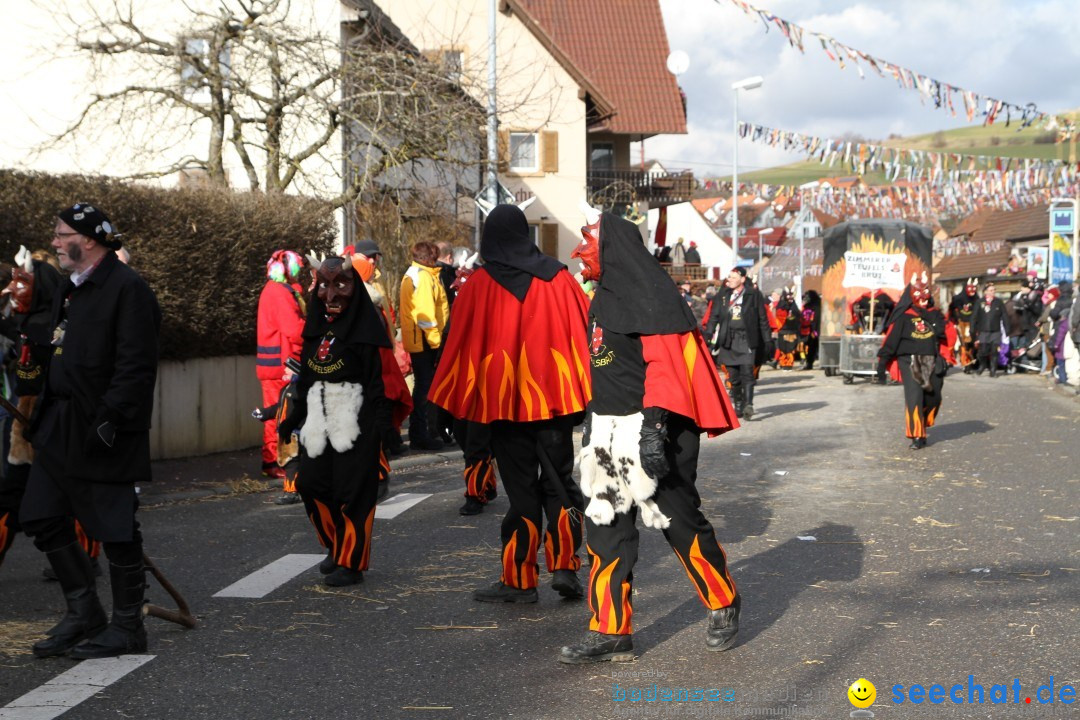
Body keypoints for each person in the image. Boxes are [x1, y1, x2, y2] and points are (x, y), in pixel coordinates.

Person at [559, 210, 740, 664]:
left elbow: (665, 365)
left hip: (654, 428)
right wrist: (589, 430)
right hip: (606, 430)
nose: (580, 251)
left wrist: (654, 430)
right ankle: (610, 629)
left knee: (678, 522)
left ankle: (723, 601)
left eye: (589, 242)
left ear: (613, 247)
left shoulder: (651, 293)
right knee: (605, 530)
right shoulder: (602, 298)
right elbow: (604, 370)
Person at [430, 204, 591, 604]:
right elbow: (582, 335)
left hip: (502, 407)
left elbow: (459, 348)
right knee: (558, 484)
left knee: (521, 493)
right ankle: (566, 567)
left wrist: (449, 408)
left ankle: (519, 580)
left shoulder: (479, 285)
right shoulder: (559, 278)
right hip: (554, 403)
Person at [20, 202, 161, 659]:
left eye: (63, 235)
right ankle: (85, 613)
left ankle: (127, 628)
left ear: (91, 239)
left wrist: (111, 419)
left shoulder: (128, 288)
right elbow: (66, 348)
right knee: (40, 514)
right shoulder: (69, 289)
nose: (56, 243)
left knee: (115, 527)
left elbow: (136, 365)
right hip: (59, 423)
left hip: (103, 426)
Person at [277, 256, 392, 587]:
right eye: (324, 286)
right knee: (310, 484)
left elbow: (378, 381)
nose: (331, 295)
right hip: (318, 420)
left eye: (340, 284)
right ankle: (336, 545)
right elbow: (308, 379)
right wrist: (293, 418)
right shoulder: (316, 328)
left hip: (357, 422)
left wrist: (383, 428)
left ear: (355, 288)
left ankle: (351, 562)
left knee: (353, 492)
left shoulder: (367, 331)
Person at [0, 250, 103, 574]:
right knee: (12, 498)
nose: (14, 291)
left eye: (22, 283)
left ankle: (86, 564)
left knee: (68, 499)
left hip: (53, 427)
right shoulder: (29, 323)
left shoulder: (55, 326)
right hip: (25, 424)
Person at [256, 250, 307, 502]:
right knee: (281, 413)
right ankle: (275, 461)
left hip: (272, 363)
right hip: (282, 364)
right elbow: (294, 329)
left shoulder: (272, 289)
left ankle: (271, 460)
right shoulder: (281, 293)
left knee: (273, 413)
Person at [877, 273, 947, 450]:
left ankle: (922, 425)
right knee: (915, 397)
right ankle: (917, 435)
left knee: (933, 398)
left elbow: (942, 333)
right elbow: (891, 342)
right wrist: (881, 366)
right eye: (919, 295)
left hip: (931, 360)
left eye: (925, 295)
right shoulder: (903, 316)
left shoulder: (934, 314)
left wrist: (927, 315)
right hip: (909, 360)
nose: (923, 300)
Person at [399, 241, 449, 452]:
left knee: (423, 387)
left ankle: (422, 432)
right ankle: (422, 434)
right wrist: (438, 343)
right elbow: (427, 315)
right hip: (426, 342)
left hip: (421, 340)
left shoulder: (420, 274)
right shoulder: (424, 277)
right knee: (425, 389)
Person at [704, 268, 772, 419]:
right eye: (729, 277)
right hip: (728, 339)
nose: (730, 280)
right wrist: (708, 334)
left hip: (746, 339)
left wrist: (768, 340)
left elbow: (763, 319)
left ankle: (748, 405)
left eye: (734, 277)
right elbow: (713, 317)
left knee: (747, 372)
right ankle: (739, 404)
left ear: (742, 279)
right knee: (733, 375)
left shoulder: (753, 295)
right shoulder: (722, 296)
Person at [972, 283, 1007, 377]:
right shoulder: (979, 302)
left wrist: (1007, 329)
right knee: (982, 351)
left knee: (994, 351)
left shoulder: (999, 302)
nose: (993, 292)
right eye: (991, 290)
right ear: (986, 292)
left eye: (994, 290)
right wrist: (972, 329)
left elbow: (1004, 316)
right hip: (983, 331)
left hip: (995, 331)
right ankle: (983, 365)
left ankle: (993, 370)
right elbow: (974, 317)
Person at [948, 279, 980, 373]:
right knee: (964, 344)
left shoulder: (976, 298)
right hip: (961, 323)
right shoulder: (958, 298)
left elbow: (978, 311)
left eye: (974, 288)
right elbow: (951, 310)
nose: (972, 290)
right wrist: (954, 320)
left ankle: (971, 362)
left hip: (972, 324)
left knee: (971, 344)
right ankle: (966, 363)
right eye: (970, 287)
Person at [1049, 281, 1073, 385]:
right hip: (1072, 328)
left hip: (1061, 326)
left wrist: (1051, 312)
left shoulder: (1061, 300)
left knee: (1059, 351)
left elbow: (1054, 313)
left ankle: (1062, 377)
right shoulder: (1073, 298)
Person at [773, 287, 801, 370]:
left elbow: (797, 317)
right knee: (783, 348)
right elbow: (778, 316)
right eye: (788, 295)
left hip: (792, 331)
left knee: (790, 348)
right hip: (782, 330)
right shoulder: (781, 305)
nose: (789, 297)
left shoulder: (794, 306)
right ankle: (783, 363)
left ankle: (788, 365)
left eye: (791, 295)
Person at [798, 290, 821, 370]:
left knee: (817, 346)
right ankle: (809, 363)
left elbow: (817, 319)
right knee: (811, 347)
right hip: (809, 329)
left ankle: (822, 363)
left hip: (817, 329)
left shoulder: (818, 306)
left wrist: (815, 330)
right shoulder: (807, 306)